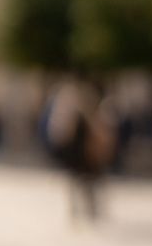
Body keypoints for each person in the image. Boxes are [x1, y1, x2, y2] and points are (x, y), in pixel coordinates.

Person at [43, 80, 117, 220]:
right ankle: (84, 210)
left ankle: (87, 210)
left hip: (84, 157)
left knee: (86, 184)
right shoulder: (73, 116)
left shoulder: (81, 117)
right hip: (78, 157)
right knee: (82, 184)